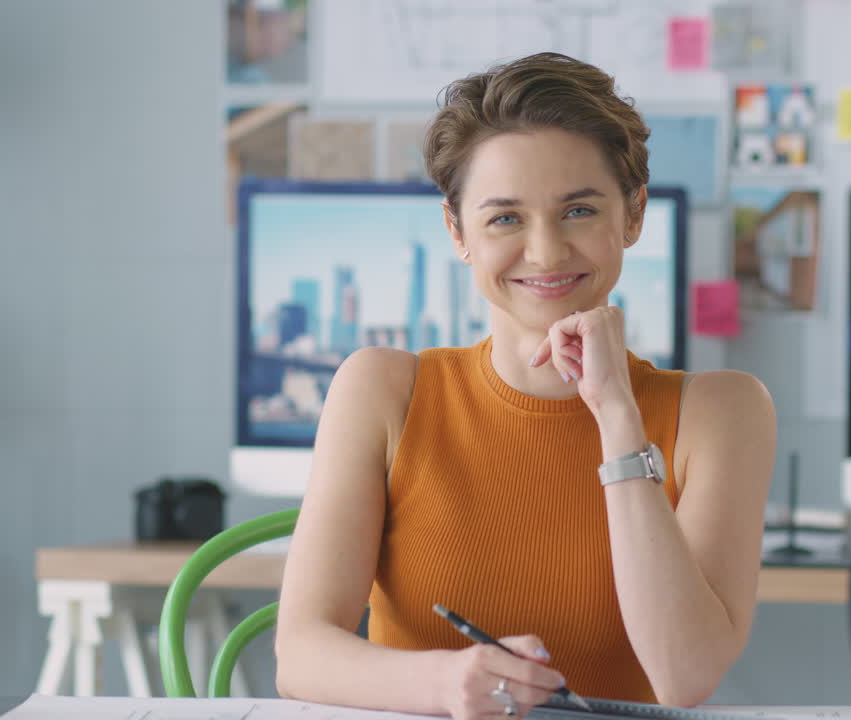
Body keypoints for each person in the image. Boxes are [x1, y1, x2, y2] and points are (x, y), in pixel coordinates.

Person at [274, 52, 776, 716]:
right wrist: (447, 685)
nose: (544, 252)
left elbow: (686, 675)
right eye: (505, 218)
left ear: (632, 215)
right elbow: (301, 654)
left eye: (578, 211)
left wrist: (616, 416)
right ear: (459, 232)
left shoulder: (723, 411)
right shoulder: (380, 391)